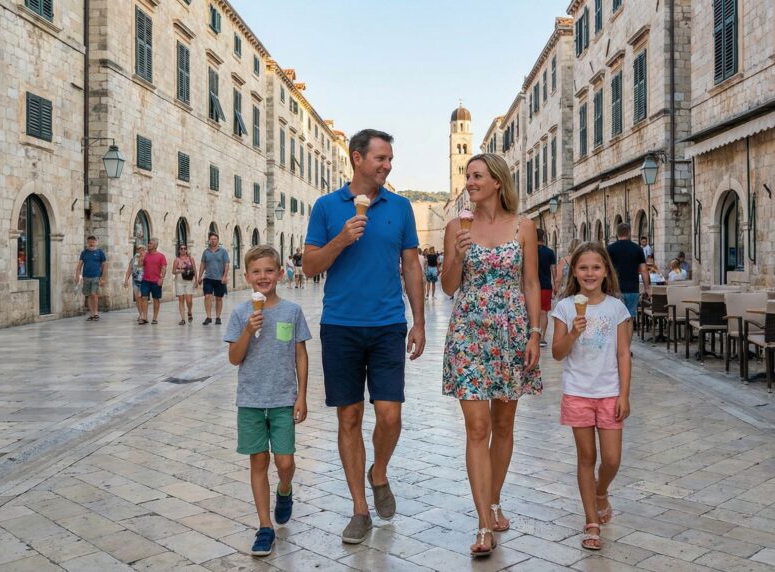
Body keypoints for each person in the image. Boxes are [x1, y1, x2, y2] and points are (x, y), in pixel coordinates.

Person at [302, 129, 425, 545]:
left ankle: (379, 472)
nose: (387, 166)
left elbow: (411, 266)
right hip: (340, 326)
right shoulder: (325, 207)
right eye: (380, 159)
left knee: (390, 415)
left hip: (389, 323)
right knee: (349, 417)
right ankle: (359, 508)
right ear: (357, 158)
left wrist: (420, 321)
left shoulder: (401, 208)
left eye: (390, 159)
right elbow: (308, 266)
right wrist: (341, 238)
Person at [442, 153, 541, 558]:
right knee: (477, 428)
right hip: (469, 333)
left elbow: (531, 282)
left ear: (498, 181)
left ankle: (494, 499)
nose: (470, 182)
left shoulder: (523, 226)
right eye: (467, 176)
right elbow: (449, 286)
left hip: (512, 333)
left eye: (477, 176)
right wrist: (459, 254)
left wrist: (536, 333)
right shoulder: (455, 227)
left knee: (503, 425)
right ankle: (484, 523)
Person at [224, 245, 310, 557]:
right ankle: (264, 526)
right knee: (258, 460)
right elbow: (234, 358)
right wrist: (248, 330)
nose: (263, 277)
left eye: (269, 271)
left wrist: (301, 395)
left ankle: (284, 490)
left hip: (283, 398)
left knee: (284, 461)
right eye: (257, 272)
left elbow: (300, 353)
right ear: (247, 277)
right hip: (250, 399)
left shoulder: (292, 311)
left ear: (280, 273)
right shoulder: (239, 313)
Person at [550, 242, 631, 551]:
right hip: (578, 392)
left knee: (611, 459)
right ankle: (591, 522)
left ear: (606, 271)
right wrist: (572, 332)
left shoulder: (616, 308)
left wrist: (624, 394)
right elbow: (557, 353)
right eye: (583, 267)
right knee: (587, 458)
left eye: (596, 267)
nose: (590, 273)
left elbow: (624, 354)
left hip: (609, 392)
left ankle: (601, 492)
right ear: (575, 272)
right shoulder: (565, 307)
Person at [607, 224, 651, 319]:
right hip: (632, 289)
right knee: (630, 317)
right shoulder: (638, 249)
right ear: (629, 232)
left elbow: (605, 270)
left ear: (617, 233)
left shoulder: (610, 249)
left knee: (616, 317)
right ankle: (628, 334)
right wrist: (647, 288)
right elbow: (644, 270)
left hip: (615, 288)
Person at [198, 232, 230, 325]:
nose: (213, 240)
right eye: (211, 239)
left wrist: (225, 276)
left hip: (219, 279)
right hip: (208, 278)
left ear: (218, 240)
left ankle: (218, 317)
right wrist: (199, 277)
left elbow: (227, 264)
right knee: (207, 296)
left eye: (214, 239)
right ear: (209, 240)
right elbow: (203, 264)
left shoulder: (223, 251)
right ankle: (208, 317)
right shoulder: (206, 252)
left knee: (218, 298)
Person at [75, 236, 107, 321]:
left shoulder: (100, 252)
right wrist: (77, 276)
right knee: (89, 295)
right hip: (86, 276)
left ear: (96, 242)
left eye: (93, 241)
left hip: (96, 276)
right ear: (88, 242)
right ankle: (91, 314)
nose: (91, 243)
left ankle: (96, 313)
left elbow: (104, 266)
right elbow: (79, 266)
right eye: (90, 241)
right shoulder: (84, 253)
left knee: (94, 294)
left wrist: (103, 278)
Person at [536, 228, 557, 348]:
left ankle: (534, 335)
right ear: (544, 238)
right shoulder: (549, 252)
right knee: (544, 312)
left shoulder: (530, 251)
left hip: (533, 286)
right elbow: (553, 269)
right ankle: (542, 338)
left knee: (533, 312)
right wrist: (555, 285)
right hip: (545, 286)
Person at [138, 238, 167, 324]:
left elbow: (164, 268)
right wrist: (141, 257)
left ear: (155, 245)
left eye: (150, 243)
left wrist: (162, 278)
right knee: (144, 297)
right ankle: (144, 317)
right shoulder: (145, 255)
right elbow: (140, 265)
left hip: (156, 281)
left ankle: (154, 318)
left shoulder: (161, 256)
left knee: (156, 299)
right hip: (145, 280)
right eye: (149, 243)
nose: (148, 245)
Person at [173, 244, 197, 325]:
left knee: (189, 300)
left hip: (189, 281)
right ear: (179, 250)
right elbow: (173, 271)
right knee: (181, 300)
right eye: (181, 248)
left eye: (184, 248)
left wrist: (196, 280)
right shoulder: (176, 260)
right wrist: (180, 271)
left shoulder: (191, 259)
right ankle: (183, 319)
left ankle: (189, 311)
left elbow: (194, 270)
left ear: (186, 250)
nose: (183, 250)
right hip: (179, 281)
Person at [123, 245, 146, 323]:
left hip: (144, 280)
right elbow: (129, 270)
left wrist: (142, 258)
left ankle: (143, 314)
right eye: (138, 249)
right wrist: (126, 280)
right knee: (137, 298)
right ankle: (141, 314)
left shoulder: (146, 258)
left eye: (142, 249)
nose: (140, 250)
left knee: (143, 297)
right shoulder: (133, 259)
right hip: (136, 281)